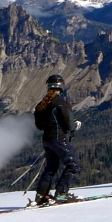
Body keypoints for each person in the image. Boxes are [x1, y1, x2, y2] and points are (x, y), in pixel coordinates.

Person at [33, 74, 83, 206]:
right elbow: (68, 125)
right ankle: (61, 193)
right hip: (59, 139)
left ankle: (41, 196)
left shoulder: (41, 105)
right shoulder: (61, 104)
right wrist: (75, 126)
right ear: (61, 86)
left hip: (47, 141)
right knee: (73, 165)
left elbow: (39, 126)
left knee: (51, 168)